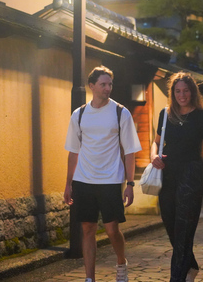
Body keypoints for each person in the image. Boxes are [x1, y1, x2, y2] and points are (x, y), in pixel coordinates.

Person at [64, 66, 142, 282]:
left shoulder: (120, 112)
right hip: (83, 180)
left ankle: (121, 262)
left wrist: (130, 183)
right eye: (103, 84)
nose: (108, 88)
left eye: (110, 84)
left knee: (111, 230)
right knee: (87, 229)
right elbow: (73, 152)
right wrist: (68, 184)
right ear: (92, 86)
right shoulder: (79, 114)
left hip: (110, 180)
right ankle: (90, 278)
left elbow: (129, 151)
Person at [150, 72, 203, 282]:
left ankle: (177, 278)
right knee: (171, 224)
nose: (182, 95)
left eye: (186, 90)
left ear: (193, 91)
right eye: (177, 91)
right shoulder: (166, 114)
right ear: (172, 93)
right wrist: (154, 155)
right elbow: (156, 142)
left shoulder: (202, 116)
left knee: (184, 227)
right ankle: (191, 266)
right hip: (168, 172)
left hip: (191, 173)